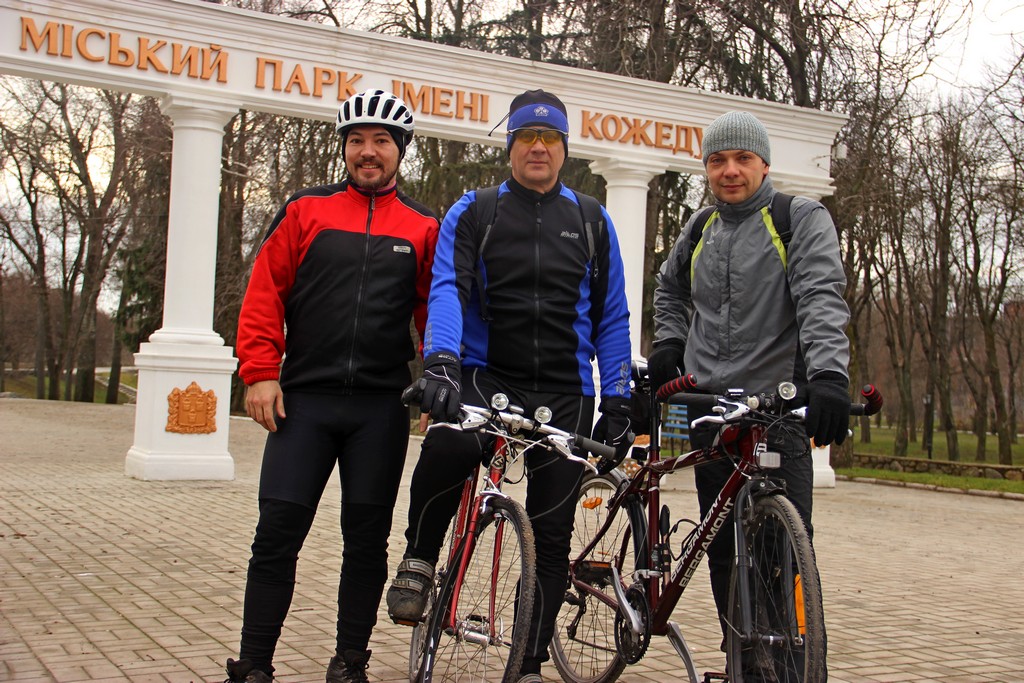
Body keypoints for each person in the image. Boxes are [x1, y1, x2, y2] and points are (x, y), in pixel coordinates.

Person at [384, 89, 633, 683]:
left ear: (564, 149)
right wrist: (441, 363)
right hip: (485, 375)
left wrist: (619, 397)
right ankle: (420, 557)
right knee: (448, 444)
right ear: (511, 147)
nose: (537, 148)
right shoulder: (476, 211)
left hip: (566, 390)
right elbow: (448, 288)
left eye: (549, 138)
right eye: (526, 137)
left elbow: (612, 317)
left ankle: (529, 665)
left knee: (552, 537)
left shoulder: (592, 220)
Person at [224, 89, 439, 683]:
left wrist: (439, 382)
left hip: (379, 409)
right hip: (304, 404)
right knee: (276, 535)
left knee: (366, 544)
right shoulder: (304, 210)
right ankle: (254, 665)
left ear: (400, 151)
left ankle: (349, 662)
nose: (368, 152)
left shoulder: (423, 226)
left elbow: (435, 315)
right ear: (344, 148)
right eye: (357, 140)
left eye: (381, 141)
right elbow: (264, 293)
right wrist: (260, 372)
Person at [649, 110, 850, 674]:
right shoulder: (699, 228)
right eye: (717, 160)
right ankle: (743, 656)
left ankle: (791, 665)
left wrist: (829, 376)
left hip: (776, 407)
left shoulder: (798, 219)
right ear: (707, 168)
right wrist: (669, 341)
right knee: (723, 549)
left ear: (764, 164)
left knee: (786, 551)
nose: (730, 170)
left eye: (742, 159)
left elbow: (820, 296)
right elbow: (669, 288)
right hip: (711, 407)